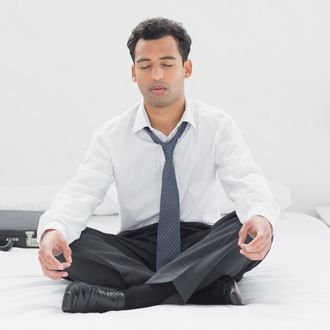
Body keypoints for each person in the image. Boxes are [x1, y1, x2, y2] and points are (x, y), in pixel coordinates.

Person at [37, 17, 279, 314]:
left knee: (249, 226)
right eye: (145, 65)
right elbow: (81, 191)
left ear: (186, 68)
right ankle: (200, 288)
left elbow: (247, 179)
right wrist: (53, 232)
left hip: (198, 242)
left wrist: (261, 219)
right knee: (72, 241)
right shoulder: (111, 134)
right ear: (133, 72)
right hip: (136, 248)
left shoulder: (217, 125)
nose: (156, 75)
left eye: (167, 64)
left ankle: (134, 296)